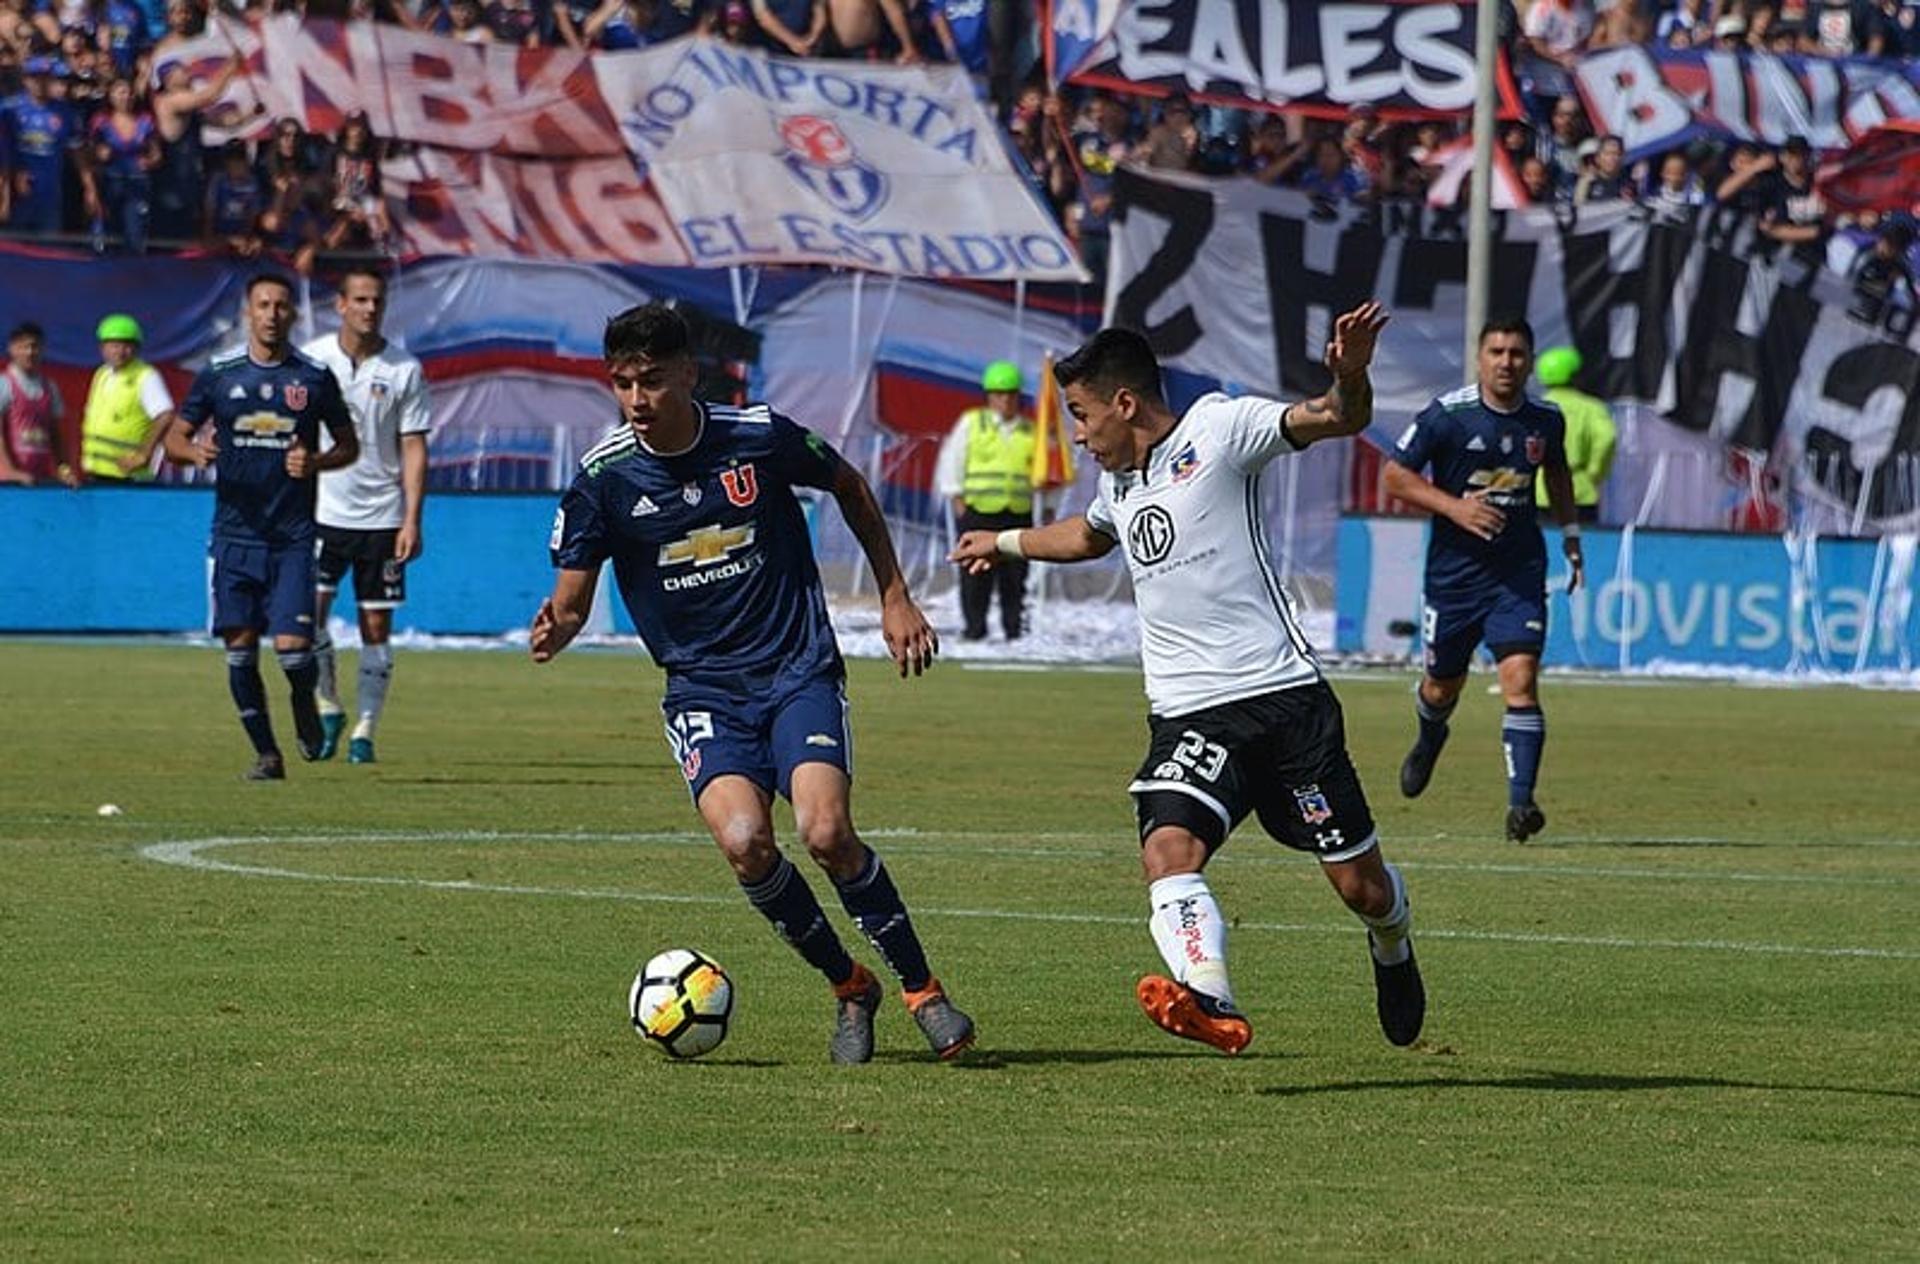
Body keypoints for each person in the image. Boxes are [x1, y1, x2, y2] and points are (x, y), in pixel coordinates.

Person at [951, 303, 1426, 1058]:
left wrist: (1353, 373)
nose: (1076, 433)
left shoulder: (1221, 430)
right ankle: (1212, 998)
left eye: (1081, 414)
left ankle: (1393, 942)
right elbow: (1085, 534)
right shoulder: (1120, 480)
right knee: (1167, 851)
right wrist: (1006, 542)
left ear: (1125, 404)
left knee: (1360, 889)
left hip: (1283, 703)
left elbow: (1337, 416)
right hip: (1190, 714)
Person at [531, 303, 974, 1065]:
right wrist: (556, 629)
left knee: (826, 832)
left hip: (793, 667)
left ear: (688, 375)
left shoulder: (756, 436)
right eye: (623, 383)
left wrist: (895, 595)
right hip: (702, 692)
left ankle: (922, 990)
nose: (638, 399)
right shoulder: (602, 479)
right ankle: (848, 986)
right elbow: (571, 600)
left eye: (652, 382)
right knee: (745, 843)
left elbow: (850, 485)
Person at [1382, 317, 1585, 843]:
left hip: (1517, 572)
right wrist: (1454, 508)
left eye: (1517, 353)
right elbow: (1394, 476)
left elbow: (1558, 472)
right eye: (1496, 351)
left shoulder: (1546, 420)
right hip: (1454, 577)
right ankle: (1429, 738)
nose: (1506, 362)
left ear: (1530, 359)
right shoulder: (1447, 417)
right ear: (1479, 358)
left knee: (1520, 681)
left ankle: (1521, 806)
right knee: (1441, 683)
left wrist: (1570, 532)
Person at [159, 272, 361, 780]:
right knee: (241, 653)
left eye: (281, 306)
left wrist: (315, 463)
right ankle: (267, 754)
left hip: (291, 539)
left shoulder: (312, 377)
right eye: (263, 305)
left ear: (292, 314)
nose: (272, 314)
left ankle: (303, 704)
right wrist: (196, 452)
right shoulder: (220, 375)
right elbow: (175, 441)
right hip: (233, 539)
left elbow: (348, 445)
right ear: (248, 312)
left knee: (293, 654)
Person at [303, 266, 431, 765]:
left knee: (375, 628)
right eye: (359, 300)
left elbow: (414, 446)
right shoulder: (314, 360)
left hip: (381, 518)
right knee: (305, 620)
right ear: (341, 304)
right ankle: (327, 702)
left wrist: (412, 517)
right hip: (320, 513)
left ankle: (365, 730)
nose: (369, 308)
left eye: (376, 300)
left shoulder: (404, 369)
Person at [934, 360, 1037, 641]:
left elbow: (1045, 469)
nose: (1005, 400)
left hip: (1017, 512)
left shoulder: (1032, 430)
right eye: (999, 394)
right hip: (979, 511)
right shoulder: (972, 423)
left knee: (1015, 578)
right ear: (989, 396)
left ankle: (1014, 632)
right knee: (975, 576)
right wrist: (956, 497)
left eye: (1011, 394)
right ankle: (974, 630)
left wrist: (1049, 504)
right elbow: (952, 459)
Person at [79, 313, 175, 482]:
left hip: (129, 475)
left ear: (137, 348)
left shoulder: (145, 377)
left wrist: (144, 454)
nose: (120, 351)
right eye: (114, 345)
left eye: (127, 345)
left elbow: (165, 415)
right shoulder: (102, 374)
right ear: (103, 347)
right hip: (97, 471)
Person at [1533, 347, 1616, 525]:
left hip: (1538, 491)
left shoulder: (1534, 407)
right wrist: (1595, 472)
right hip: (1579, 490)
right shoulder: (1591, 408)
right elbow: (1607, 438)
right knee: (1581, 546)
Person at [0, 321, 76, 486]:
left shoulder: (50, 388)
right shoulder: (3, 385)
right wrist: (9, 471)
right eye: (23, 347)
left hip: (40, 480)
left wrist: (65, 471)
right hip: (7, 485)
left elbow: (57, 436)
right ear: (11, 349)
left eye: (35, 347)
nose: (30, 352)